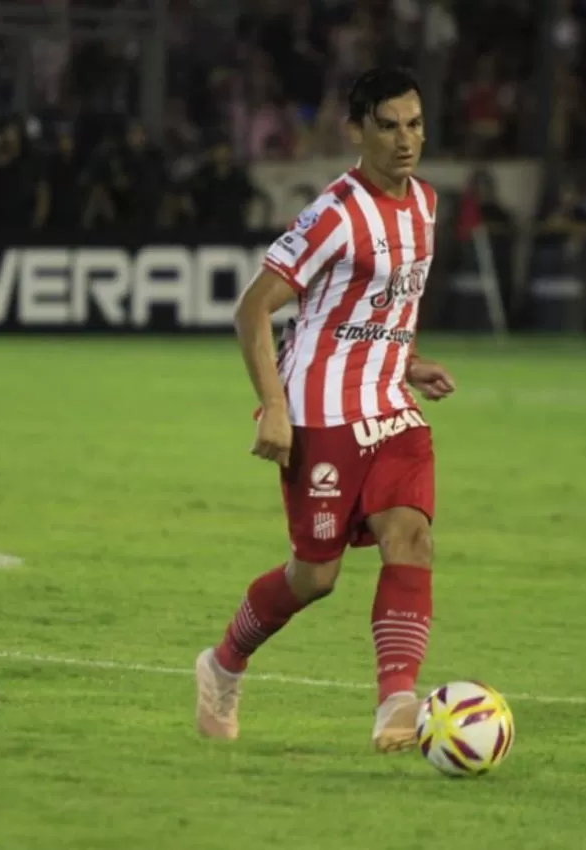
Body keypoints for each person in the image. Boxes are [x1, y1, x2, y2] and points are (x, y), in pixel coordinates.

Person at [193, 67, 458, 752]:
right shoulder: (334, 214)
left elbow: (389, 304)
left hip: (390, 409)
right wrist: (272, 409)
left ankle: (396, 701)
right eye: (390, 125)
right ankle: (224, 662)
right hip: (319, 411)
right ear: (357, 130)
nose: (407, 140)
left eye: (416, 124)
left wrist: (408, 359)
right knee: (315, 576)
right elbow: (252, 309)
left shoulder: (426, 204)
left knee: (412, 538)